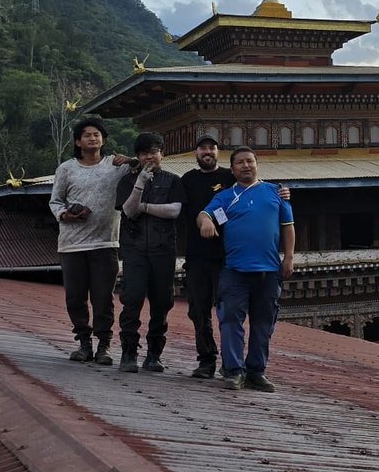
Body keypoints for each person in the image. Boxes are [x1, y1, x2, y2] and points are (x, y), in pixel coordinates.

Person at [198, 146, 294, 392]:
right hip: (235, 271)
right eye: (240, 163)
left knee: (264, 323)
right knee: (230, 320)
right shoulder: (226, 197)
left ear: (256, 164)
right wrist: (206, 222)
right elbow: (203, 214)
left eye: (249, 161)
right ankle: (233, 370)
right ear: (232, 169)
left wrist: (289, 257)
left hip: (269, 271)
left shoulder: (276, 193)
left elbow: (288, 226)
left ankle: (256, 371)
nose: (245, 166)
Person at [49, 117, 129, 364]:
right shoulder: (66, 169)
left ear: (103, 139)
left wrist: (131, 161)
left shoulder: (116, 166)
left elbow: (146, 168)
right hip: (72, 243)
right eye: (87, 135)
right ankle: (84, 342)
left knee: (103, 298)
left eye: (97, 134)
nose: (93, 138)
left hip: (105, 243)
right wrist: (66, 215)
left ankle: (103, 345)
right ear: (78, 141)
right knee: (75, 296)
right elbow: (55, 201)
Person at [115, 131, 184, 373]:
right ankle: (128, 353)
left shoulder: (173, 180)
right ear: (138, 156)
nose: (149, 157)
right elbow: (128, 211)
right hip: (134, 250)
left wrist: (145, 206)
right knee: (131, 300)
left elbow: (174, 210)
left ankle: (154, 354)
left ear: (161, 154)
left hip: (163, 249)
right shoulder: (127, 181)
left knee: (161, 303)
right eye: (144, 153)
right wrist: (140, 184)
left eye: (154, 152)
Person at [179, 134, 232, 379]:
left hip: (224, 256)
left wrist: (282, 193)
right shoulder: (188, 180)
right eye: (202, 148)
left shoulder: (229, 178)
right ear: (196, 153)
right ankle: (206, 360)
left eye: (212, 148)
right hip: (197, 256)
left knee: (228, 311)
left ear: (218, 152)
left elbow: (256, 188)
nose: (207, 152)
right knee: (199, 311)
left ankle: (230, 361)